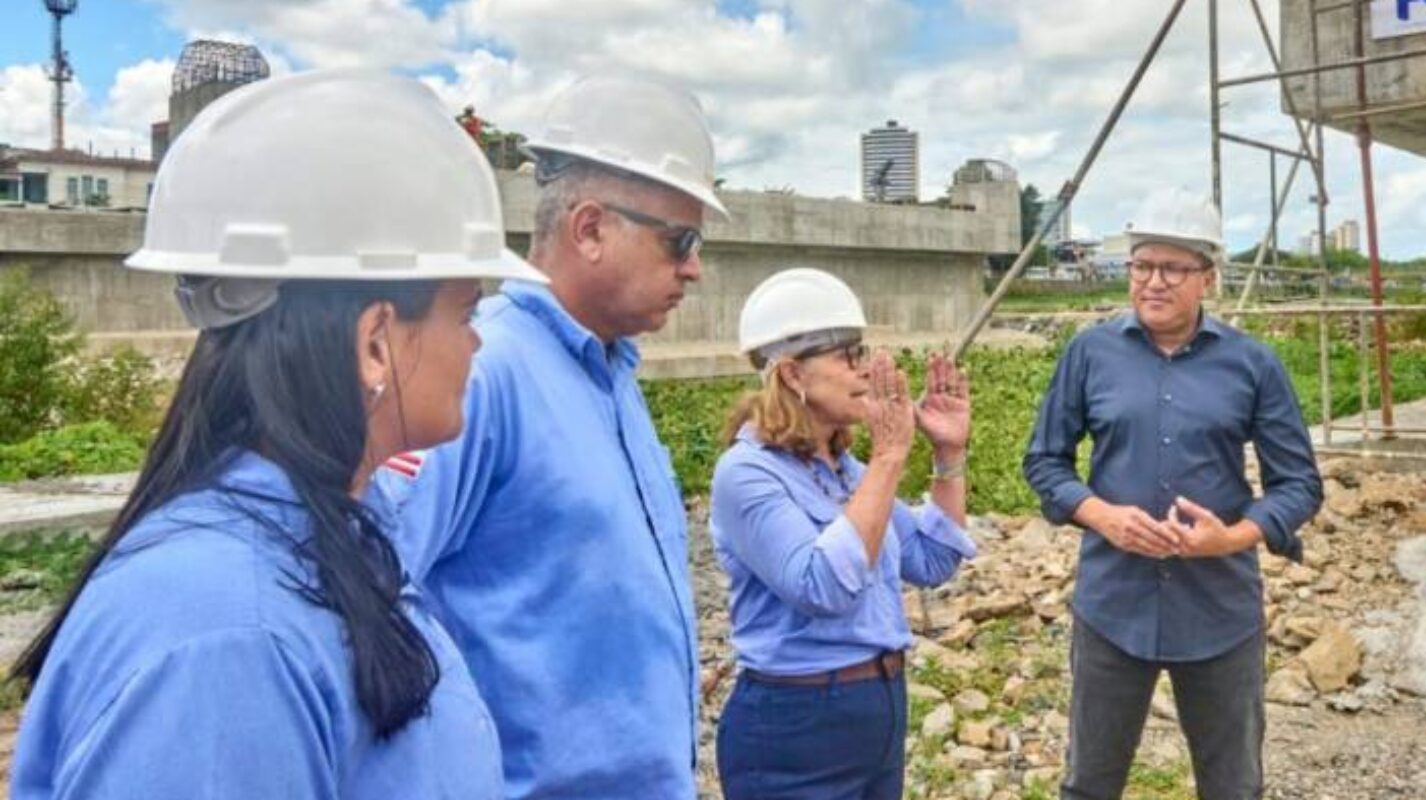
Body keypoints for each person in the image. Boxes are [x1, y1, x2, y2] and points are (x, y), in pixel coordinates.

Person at [8, 70, 546, 799]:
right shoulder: (227, 637)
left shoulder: (326, 539)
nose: (478, 345)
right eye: (466, 314)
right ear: (375, 343)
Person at [380, 74, 726, 798]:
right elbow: (373, 595)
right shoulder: (485, 374)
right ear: (591, 228)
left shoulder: (610, 375)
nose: (694, 268)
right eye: (679, 241)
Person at [1022, 193, 1323, 800]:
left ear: (1207, 276)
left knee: (1233, 785)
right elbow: (1044, 461)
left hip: (1219, 612)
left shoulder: (1253, 365)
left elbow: (1299, 484)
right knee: (1089, 784)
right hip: (1113, 608)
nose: (1153, 282)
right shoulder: (1090, 354)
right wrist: (1101, 515)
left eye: (1173, 269)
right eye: (1142, 266)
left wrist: (1231, 538)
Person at [709, 268, 977, 799]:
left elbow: (932, 558)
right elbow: (821, 587)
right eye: (847, 355)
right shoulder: (748, 473)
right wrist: (889, 456)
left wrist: (948, 455)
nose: (866, 369)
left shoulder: (845, 470)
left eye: (863, 351)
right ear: (792, 374)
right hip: (797, 724)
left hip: (877, 709)